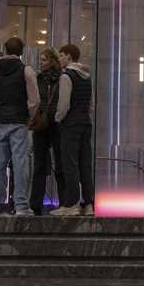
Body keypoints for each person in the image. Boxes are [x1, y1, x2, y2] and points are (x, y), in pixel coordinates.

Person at [0, 37, 40, 216]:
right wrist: (29, 116)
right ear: (21, 51)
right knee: (20, 163)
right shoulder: (26, 70)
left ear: (5, 50)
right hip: (20, 122)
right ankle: (21, 205)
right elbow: (35, 100)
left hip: (1, 122)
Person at [51, 43, 94, 217]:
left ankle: (71, 204)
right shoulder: (86, 76)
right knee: (85, 164)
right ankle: (89, 204)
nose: (59, 59)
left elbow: (64, 105)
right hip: (86, 123)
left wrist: (57, 119)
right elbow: (91, 104)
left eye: (61, 56)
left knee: (70, 164)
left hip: (71, 124)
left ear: (69, 57)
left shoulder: (66, 76)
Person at [30, 47, 67, 215]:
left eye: (44, 60)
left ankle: (64, 202)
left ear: (52, 61)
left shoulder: (63, 78)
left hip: (58, 125)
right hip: (41, 125)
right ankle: (35, 204)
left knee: (61, 164)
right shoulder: (38, 79)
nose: (41, 63)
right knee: (39, 165)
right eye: (40, 60)